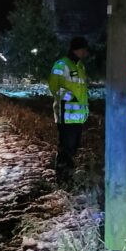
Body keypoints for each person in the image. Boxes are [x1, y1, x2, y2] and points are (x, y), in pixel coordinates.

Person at [48, 37, 90, 183]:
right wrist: (69, 98)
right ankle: (62, 179)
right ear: (78, 49)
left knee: (72, 149)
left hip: (78, 117)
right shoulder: (61, 65)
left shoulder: (80, 66)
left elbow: (82, 91)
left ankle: (68, 177)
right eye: (84, 49)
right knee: (65, 149)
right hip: (65, 115)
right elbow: (54, 87)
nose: (86, 52)